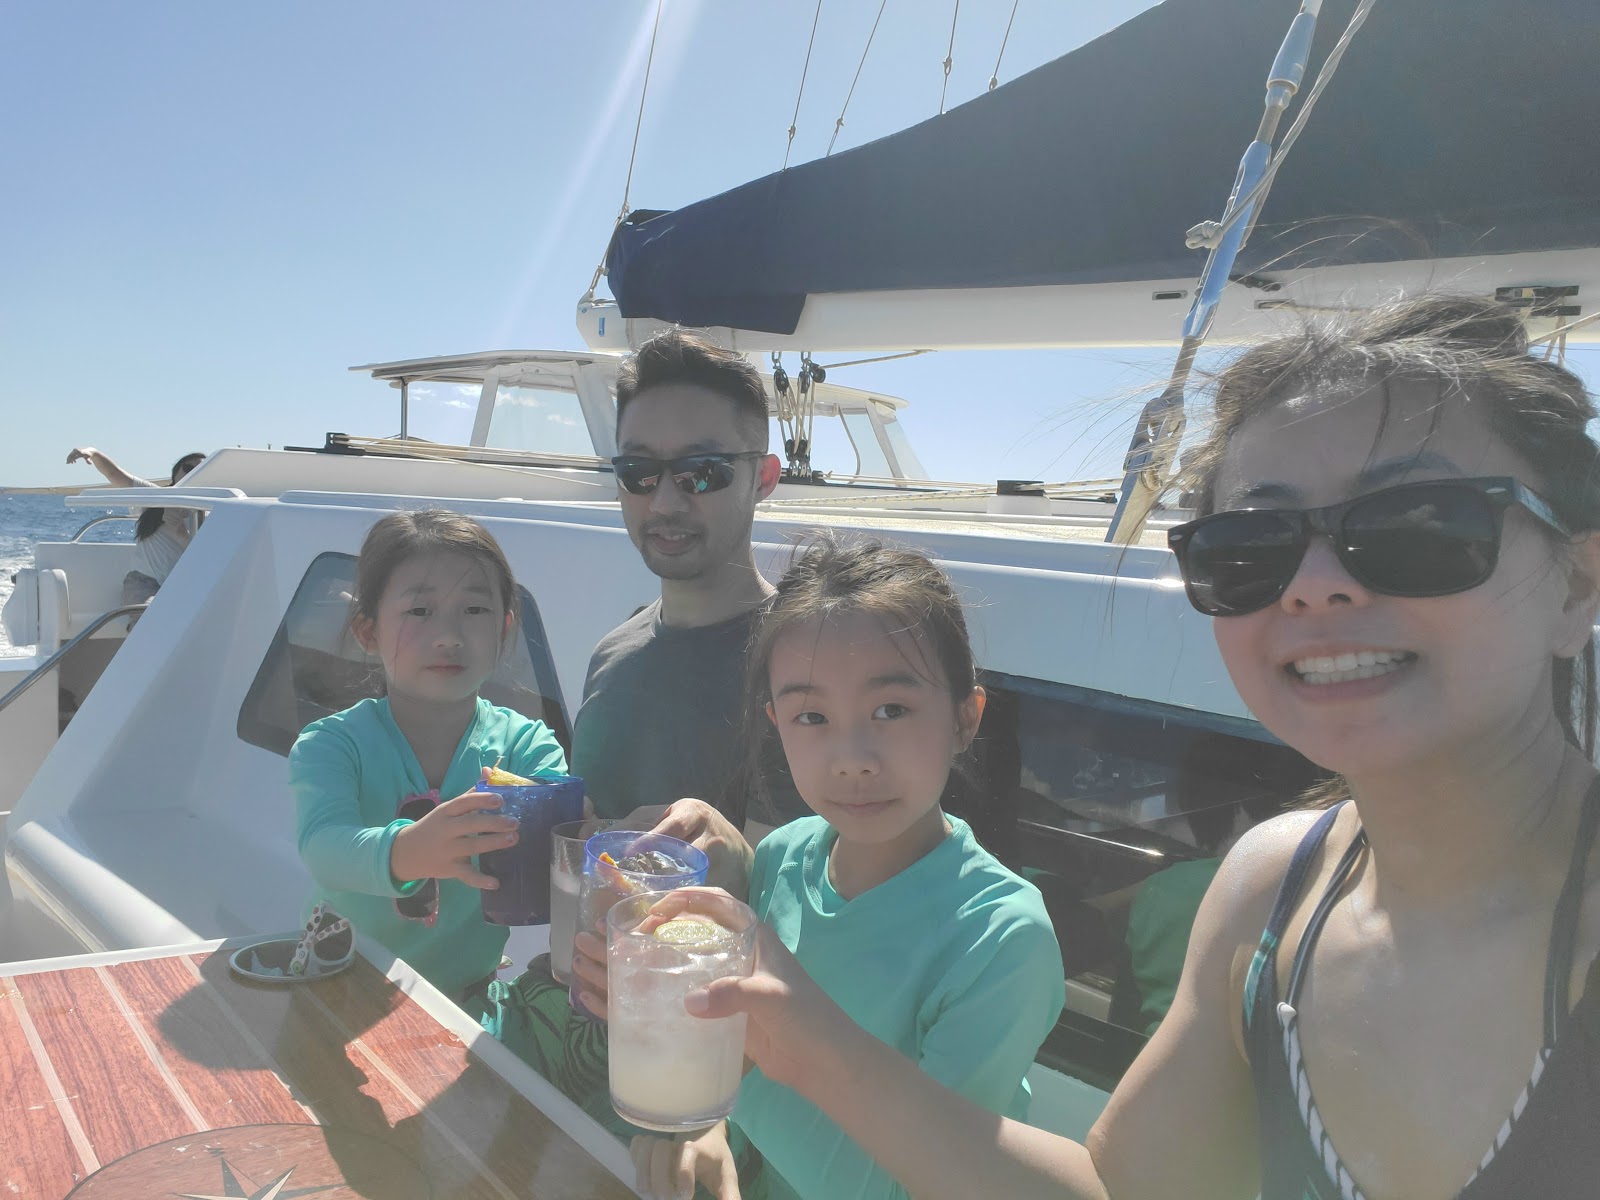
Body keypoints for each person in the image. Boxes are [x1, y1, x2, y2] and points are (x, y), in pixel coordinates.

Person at [644, 295, 1600, 1198]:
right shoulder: (1271, 890)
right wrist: (769, 1026)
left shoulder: (1009, 927)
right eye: (1250, 544)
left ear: (1579, 583)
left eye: (1419, 524)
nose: (1314, 584)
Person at [580, 536, 1064, 1200]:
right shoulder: (781, 858)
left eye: (891, 709)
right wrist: (707, 1134)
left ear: (964, 718)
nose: (851, 756)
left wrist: (737, 1072)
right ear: (776, 723)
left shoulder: (1000, 939)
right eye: (812, 716)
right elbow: (748, 1087)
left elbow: (917, 1184)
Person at [481, 329, 809, 1132]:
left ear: (764, 479)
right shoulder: (616, 648)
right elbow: (595, 832)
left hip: (694, 1070)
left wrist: (734, 853)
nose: (664, 501)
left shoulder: (805, 662)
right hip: (568, 1023)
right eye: (638, 471)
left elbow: (826, 893)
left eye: (701, 471)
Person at [290, 510, 567, 1017]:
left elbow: (563, 819)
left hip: (466, 1000)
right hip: (336, 987)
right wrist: (408, 850)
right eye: (420, 611)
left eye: (475, 610)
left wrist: (597, 835)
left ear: (505, 629)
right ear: (368, 633)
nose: (448, 635)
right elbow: (322, 846)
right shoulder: (331, 743)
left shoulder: (526, 744)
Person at [67, 447, 207, 605]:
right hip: (144, 583)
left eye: (201, 469)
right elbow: (115, 475)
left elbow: (207, 556)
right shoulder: (154, 495)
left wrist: (180, 530)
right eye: (188, 468)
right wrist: (92, 452)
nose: (193, 472)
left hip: (187, 586)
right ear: (175, 474)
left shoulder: (212, 512)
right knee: (147, 615)